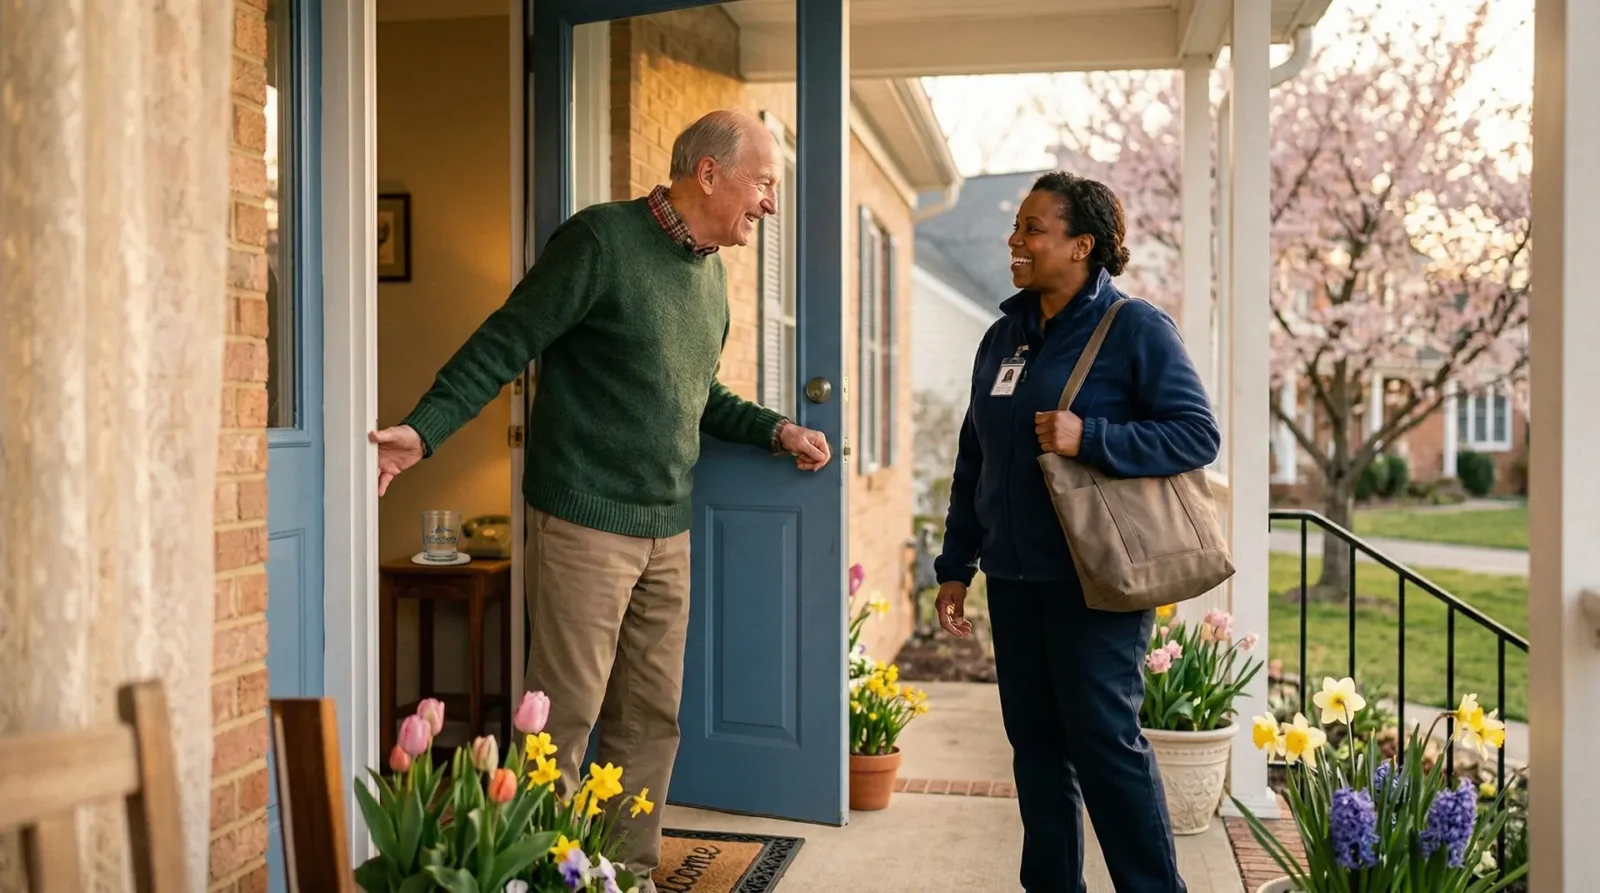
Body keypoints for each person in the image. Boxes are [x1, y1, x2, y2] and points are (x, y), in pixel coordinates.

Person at [367, 109, 832, 891]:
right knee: (561, 718)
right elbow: (504, 340)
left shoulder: (710, 276)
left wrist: (775, 429)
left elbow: (697, 395)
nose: (770, 203)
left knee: (650, 719)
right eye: (763, 183)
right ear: (708, 174)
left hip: (667, 529)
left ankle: (625, 873)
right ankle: (542, 876)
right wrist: (424, 429)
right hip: (584, 521)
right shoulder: (599, 242)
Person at [933, 171, 1218, 893]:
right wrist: (956, 565)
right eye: (1017, 227)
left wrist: (1090, 436)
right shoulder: (1003, 337)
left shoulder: (1135, 329)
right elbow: (976, 457)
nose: (1015, 240)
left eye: (1033, 228)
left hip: (1096, 577)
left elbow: (1196, 433)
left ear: (1081, 245)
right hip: (1013, 577)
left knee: (1104, 745)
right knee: (1034, 748)